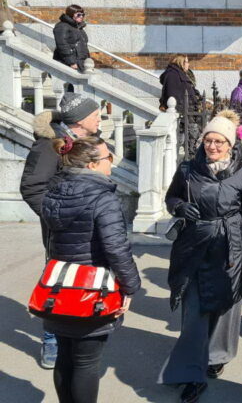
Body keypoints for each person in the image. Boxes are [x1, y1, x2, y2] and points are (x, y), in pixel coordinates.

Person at [159, 111, 242, 403]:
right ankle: (192, 375)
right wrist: (179, 207)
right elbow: (171, 198)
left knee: (224, 309)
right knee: (193, 313)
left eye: (219, 141)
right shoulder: (188, 169)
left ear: (231, 145)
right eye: (209, 140)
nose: (213, 146)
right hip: (193, 247)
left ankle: (217, 355)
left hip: (230, 249)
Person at [41, 136, 140, 403]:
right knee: (86, 362)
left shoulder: (53, 191)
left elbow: (49, 242)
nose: (112, 163)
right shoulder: (103, 198)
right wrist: (131, 286)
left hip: (59, 289)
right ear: (93, 165)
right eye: (108, 157)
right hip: (90, 292)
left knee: (64, 356)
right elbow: (117, 249)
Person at [20, 94, 102, 369]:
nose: (100, 118)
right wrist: (59, 217)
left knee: (80, 281)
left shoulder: (88, 141)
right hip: (62, 231)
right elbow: (32, 186)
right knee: (57, 283)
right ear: (80, 120)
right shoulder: (49, 144)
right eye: (95, 114)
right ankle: (51, 341)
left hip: (86, 228)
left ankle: (77, 333)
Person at [52, 4, 90, 72]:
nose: (81, 16)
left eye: (82, 15)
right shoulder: (62, 26)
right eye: (78, 15)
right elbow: (62, 45)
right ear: (71, 14)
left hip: (81, 63)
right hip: (70, 64)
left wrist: (88, 60)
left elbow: (84, 46)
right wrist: (71, 62)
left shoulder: (79, 28)